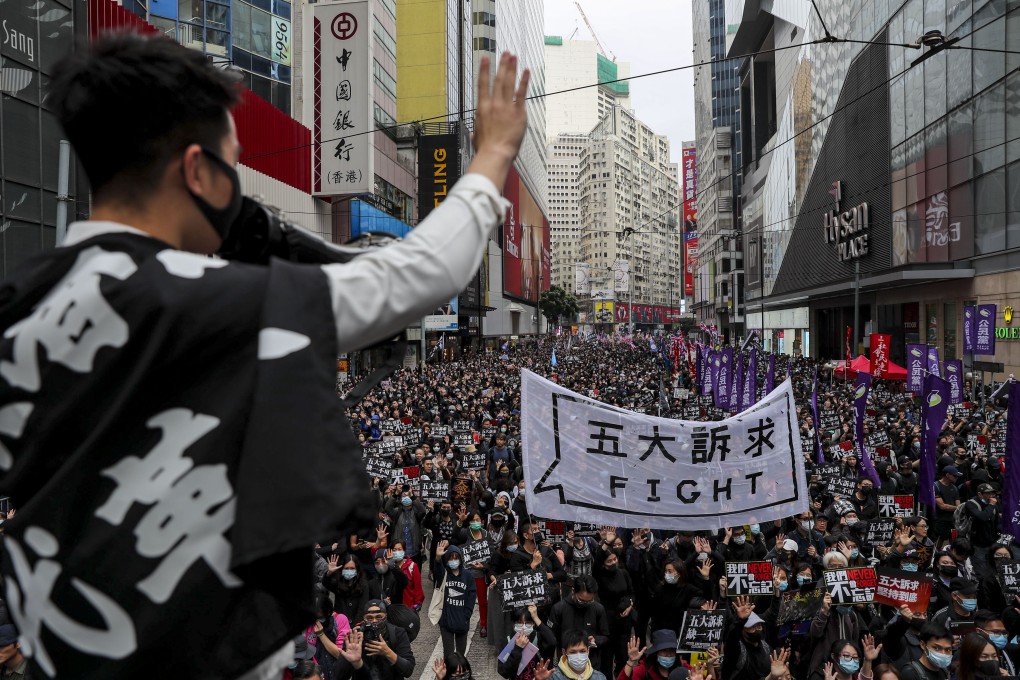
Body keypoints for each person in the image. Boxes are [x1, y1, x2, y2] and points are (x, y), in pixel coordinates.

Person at [1, 32, 530, 678]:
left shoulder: (18, 308)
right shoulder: (224, 303)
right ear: (198, 172)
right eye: (233, 162)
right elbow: (423, 271)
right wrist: (494, 152)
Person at [333, 600, 415, 680]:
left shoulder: (397, 633)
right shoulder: (356, 637)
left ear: (385, 617)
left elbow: (408, 670)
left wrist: (388, 652)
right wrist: (350, 658)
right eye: (369, 618)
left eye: (379, 617)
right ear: (363, 619)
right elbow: (339, 676)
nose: (374, 621)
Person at [548, 576, 610, 665]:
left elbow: (606, 637)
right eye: (581, 600)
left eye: (589, 601)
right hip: (566, 661)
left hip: (591, 662)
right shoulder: (559, 608)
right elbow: (551, 638)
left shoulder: (598, 609)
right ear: (573, 591)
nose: (585, 604)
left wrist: (595, 640)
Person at [434, 541, 477, 657]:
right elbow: (437, 572)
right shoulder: (444, 574)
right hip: (446, 621)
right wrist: (438, 557)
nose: (453, 561)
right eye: (450, 558)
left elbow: (471, 597)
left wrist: (466, 615)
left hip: (462, 620)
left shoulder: (468, 576)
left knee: (460, 654)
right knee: (448, 653)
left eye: (456, 558)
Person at [497, 607, 557, 680]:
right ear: (514, 624)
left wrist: (535, 617)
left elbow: (552, 641)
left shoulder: (538, 637)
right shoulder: (508, 640)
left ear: (533, 624)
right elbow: (503, 672)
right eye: (519, 623)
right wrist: (517, 648)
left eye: (528, 623)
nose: (523, 627)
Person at [306, 593, 352, 680]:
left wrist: (321, 634)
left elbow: (340, 654)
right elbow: (310, 654)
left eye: (320, 616)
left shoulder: (340, 619)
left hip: (337, 672)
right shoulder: (309, 625)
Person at [537, 628, 608, 680]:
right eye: (573, 652)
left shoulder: (599, 677)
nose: (578, 655)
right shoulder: (553, 677)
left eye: (582, 651)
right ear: (564, 652)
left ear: (588, 650)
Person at [323, 555, 371, 624]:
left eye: (352, 568)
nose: (349, 570)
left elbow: (362, 608)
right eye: (346, 568)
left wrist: (355, 626)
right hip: (340, 624)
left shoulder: (363, 584)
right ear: (342, 569)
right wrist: (329, 573)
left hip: (356, 624)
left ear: (357, 569)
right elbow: (326, 584)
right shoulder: (338, 582)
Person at [389, 541, 424, 611]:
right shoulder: (389, 567)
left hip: (408, 607)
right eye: (394, 550)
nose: (397, 552)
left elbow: (418, 587)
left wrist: (417, 603)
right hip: (393, 607)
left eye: (399, 549)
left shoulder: (412, 566)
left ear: (404, 550)